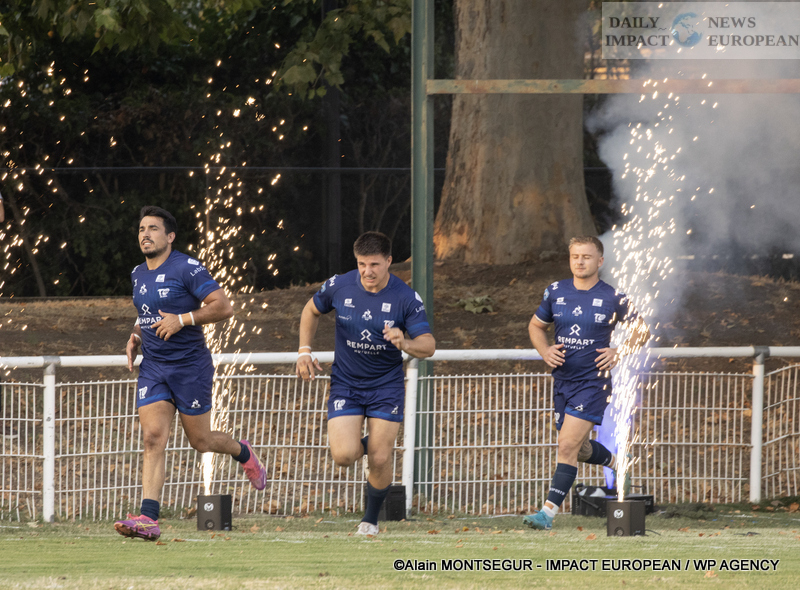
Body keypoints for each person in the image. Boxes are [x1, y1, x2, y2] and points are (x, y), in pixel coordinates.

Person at [115, 206, 267, 541]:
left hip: (190, 368)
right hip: (154, 368)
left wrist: (182, 319)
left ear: (169, 236)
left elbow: (223, 306)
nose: (145, 234)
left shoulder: (187, 267)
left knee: (200, 441)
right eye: (141, 229)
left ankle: (243, 452)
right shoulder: (138, 273)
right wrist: (136, 336)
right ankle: (149, 518)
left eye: (153, 228)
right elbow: (147, 313)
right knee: (153, 437)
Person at [296, 231, 435, 537]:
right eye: (361, 264)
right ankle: (373, 445)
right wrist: (304, 350)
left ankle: (370, 521)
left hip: (386, 385)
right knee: (344, 455)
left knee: (380, 456)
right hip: (346, 382)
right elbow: (311, 310)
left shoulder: (405, 298)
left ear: (388, 261)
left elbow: (428, 346)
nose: (368, 271)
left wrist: (405, 342)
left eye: (374, 264)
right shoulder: (339, 285)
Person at [524, 236, 650, 531]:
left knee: (566, 445)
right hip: (562, 382)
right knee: (577, 449)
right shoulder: (555, 291)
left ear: (600, 261)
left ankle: (547, 515)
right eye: (575, 256)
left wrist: (620, 351)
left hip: (593, 383)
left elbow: (641, 330)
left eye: (587, 257)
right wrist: (545, 350)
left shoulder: (612, 297)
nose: (580, 262)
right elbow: (535, 326)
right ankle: (618, 462)